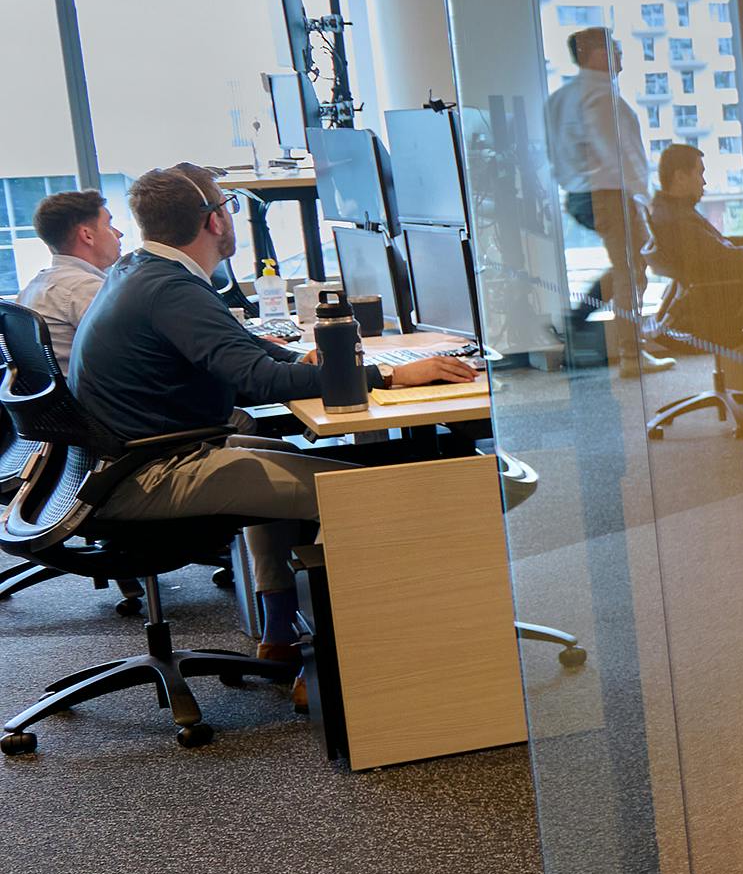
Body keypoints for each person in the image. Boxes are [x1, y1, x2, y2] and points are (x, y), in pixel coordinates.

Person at [65, 166, 472, 652]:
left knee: (290, 457)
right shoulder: (171, 289)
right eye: (228, 206)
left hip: (133, 460)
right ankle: (357, 659)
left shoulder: (143, 271)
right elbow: (257, 380)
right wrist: (388, 374)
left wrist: (304, 360)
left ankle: (280, 631)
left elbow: (247, 351)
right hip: (149, 473)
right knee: (356, 493)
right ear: (214, 221)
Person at [543, 25, 652, 359]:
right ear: (596, 54)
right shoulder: (602, 96)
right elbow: (618, 153)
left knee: (628, 265)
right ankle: (631, 353)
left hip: (579, 194)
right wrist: (643, 197)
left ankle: (574, 320)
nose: (621, 53)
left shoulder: (561, 97)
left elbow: (553, 151)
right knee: (631, 271)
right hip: (608, 192)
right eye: (615, 47)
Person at [643, 144, 743, 360]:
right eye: (700, 173)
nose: (704, 182)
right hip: (717, 308)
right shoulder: (679, 221)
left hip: (704, 302)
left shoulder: (668, 212)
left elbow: (718, 247)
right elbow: (729, 261)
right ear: (681, 177)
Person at [17, 189, 120, 365]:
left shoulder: (33, 287)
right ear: (87, 235)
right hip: (86, 391)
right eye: (109, 226)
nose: (118, 233)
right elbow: (127, 354)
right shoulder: (85, 289)